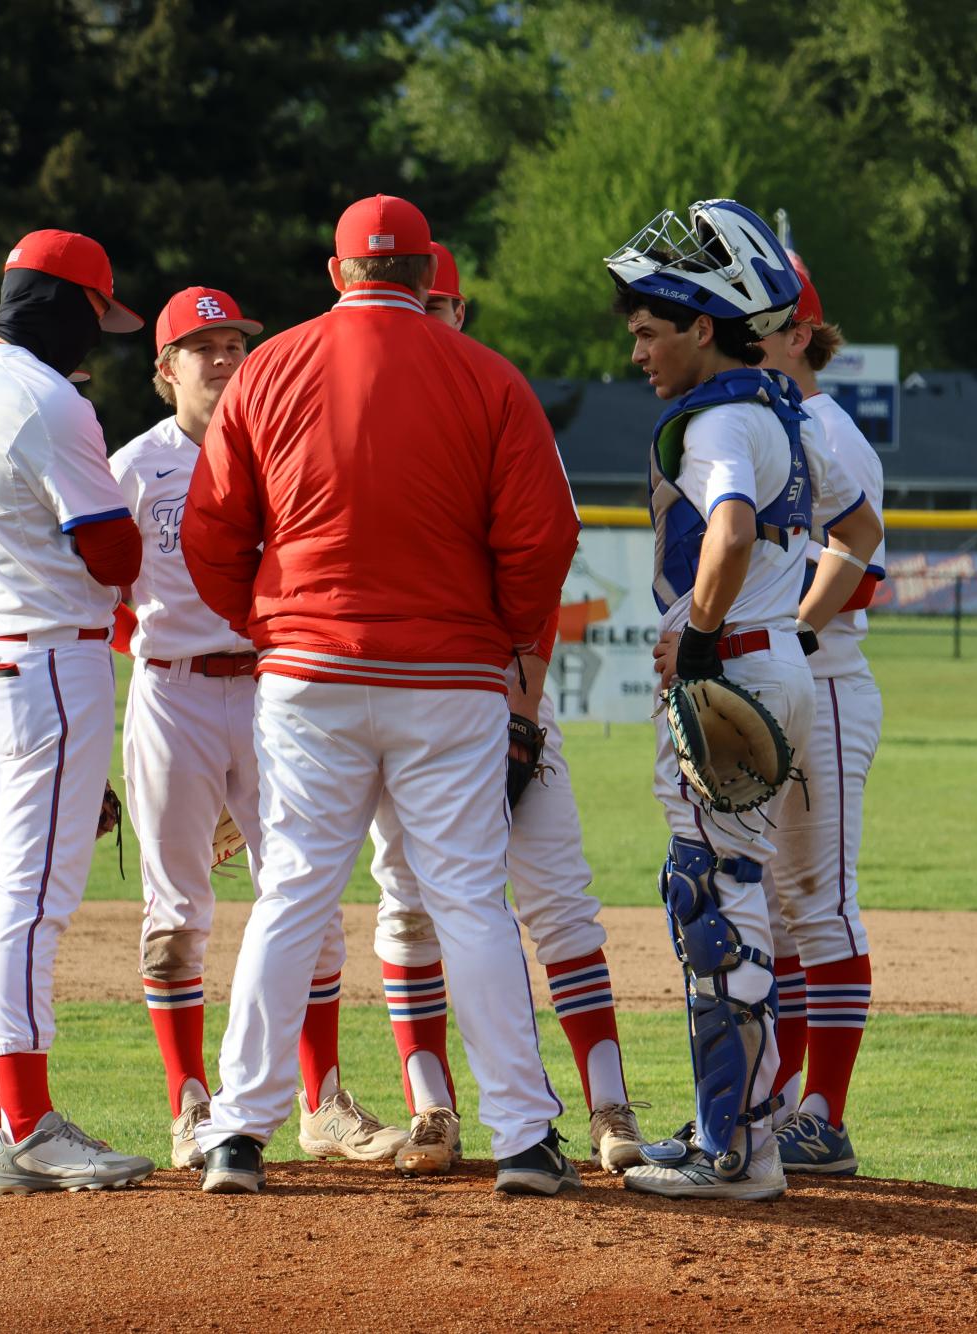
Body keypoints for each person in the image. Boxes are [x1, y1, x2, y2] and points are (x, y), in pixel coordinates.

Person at [182, 194, 580, 1197]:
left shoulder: (270, 367)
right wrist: (494, 639)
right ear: (427, 275)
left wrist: (271, 622)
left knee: (294, 890)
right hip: (448, 679)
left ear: (337, 273)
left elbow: (211, 528)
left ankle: (237, 1130)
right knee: (467, 899)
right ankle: (526, 1137)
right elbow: (544, 540)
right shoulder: (488, 375)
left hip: (309, 671)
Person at [601, 199, 880, 1201]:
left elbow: (724, 531)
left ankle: (739, 1148)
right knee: (728, 896)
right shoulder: (781, 408)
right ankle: (742, 1129)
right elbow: (855, 521)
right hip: (772, 663)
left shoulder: (720, 415)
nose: (639, 348)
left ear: (706, 325)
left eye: (652, 328)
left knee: (717, 906)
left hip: (741, 668)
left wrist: (706, 635)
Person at [110, 286, 405, 1172]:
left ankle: (321, 1103)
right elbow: (105, 601)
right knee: (174, 914)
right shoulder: (133, 467)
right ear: (164, 372)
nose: (225, 357)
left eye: (236, 341)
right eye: (202, 346)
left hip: (276, 694)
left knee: (309, 902)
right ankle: (187, 1106)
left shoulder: (283, 449)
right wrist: (160, 658)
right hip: (173, 698)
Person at [370, 239, 645, 1178]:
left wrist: (522, 718)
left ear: (458, 315)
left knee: (560, 905)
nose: (433, 322)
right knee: (408, 907)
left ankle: (608, 1103)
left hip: (496, 694)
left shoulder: (499, 404)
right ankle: (431, 1109)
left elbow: (543, 575)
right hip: (400, 703)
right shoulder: (370, 422)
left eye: (444, 308)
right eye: (424, 305)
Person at [0, 229, 157, 1194]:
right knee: (28, 904)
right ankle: (28, 1126)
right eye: (93, 318)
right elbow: (114, 556)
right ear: (62, 306)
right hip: (44, 664)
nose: (95, 341)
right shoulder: (44, 396)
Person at [750, 252, 888, 1177]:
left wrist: (788, 637)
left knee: (818, 907)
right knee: (772, 913)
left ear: (800, 334)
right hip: (776, 685)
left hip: (825, 684)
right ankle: (774, 1105)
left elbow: (860, 571)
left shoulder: (827, 430)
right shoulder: (755, 424)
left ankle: (824, 1116)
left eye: (754, 323)